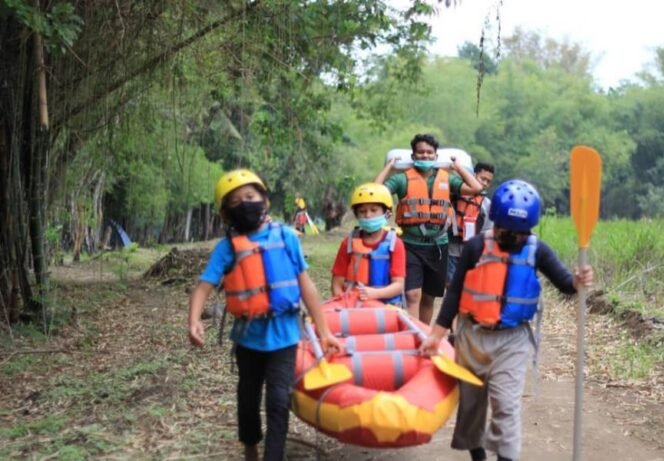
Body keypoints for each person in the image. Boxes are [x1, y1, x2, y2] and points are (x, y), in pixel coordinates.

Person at [418, 179, 594, 461]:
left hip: (512, 340)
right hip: (471, 335)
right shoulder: (476, 247)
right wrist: (436, 335)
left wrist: (578, 280)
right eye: (505, 231)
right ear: (495, 222)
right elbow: (454, 296)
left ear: (529, 229)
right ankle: (478, 455)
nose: (512, 238)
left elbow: (565, 284)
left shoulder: (538, 250)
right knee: (472, 404)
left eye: (519, 233)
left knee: (506, 405)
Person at [187, 169, 341, 461]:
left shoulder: (286, 237)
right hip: (248, 340)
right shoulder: (227, 248)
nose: (244, 204)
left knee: (279, 401)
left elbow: (306, 286)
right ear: (225, 214)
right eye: (235, 202)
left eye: (250, 196)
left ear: (264, 201)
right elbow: (203, 288)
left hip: (285, 337)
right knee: (247, 401)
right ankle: (250, 447)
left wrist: (325, 331)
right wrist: (193, 321)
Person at [374, 134, 482, 324]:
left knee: (429, 296)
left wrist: (457, 168)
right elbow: (375, 191)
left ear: (435, 156)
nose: (425, 156)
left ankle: (423, 333)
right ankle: (413, 333)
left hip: (438, 246)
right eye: (420, 152)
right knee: (413, 293)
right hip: (409, 245)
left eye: (429, 153)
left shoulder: (446, 178)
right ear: (413, 156)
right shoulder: (401, 179)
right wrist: (388, 168)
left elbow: (475, 187)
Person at [330, 182, 406, 305]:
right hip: (354, 306)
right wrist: (345, 304)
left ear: (386, 213)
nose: (368, 215)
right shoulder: (347, 244)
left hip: (385, 307)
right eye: (362, 211)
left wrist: (374, 294)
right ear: (357, 214)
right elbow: (336, 284)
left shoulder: (396, 244)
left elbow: (398, 285)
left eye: (374, 210)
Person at [447, 161, 495, 287]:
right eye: (482, 178)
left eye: (488, 181)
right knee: (450, 284)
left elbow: (487, 230)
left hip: (471, 251)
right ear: (474, 175)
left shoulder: (487, 204)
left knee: (467, 285)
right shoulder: (457, 193)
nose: (484, 183)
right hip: (451, 247)